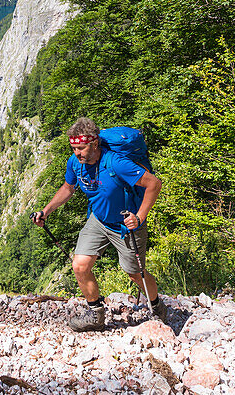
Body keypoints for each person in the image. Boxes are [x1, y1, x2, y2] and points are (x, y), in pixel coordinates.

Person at [31, 117, 165, 332]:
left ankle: (157, 305)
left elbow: (154, 184)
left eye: (81, 147)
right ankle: (95, 314)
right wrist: (46, 211)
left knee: (134, 273)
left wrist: (139, 216)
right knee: (80, 265)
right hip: (98, 220)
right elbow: (68, 187)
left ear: (94, 144)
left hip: (126, 225)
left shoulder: (116, 163)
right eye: (74, 148)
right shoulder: (75, 163)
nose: (77, 152)